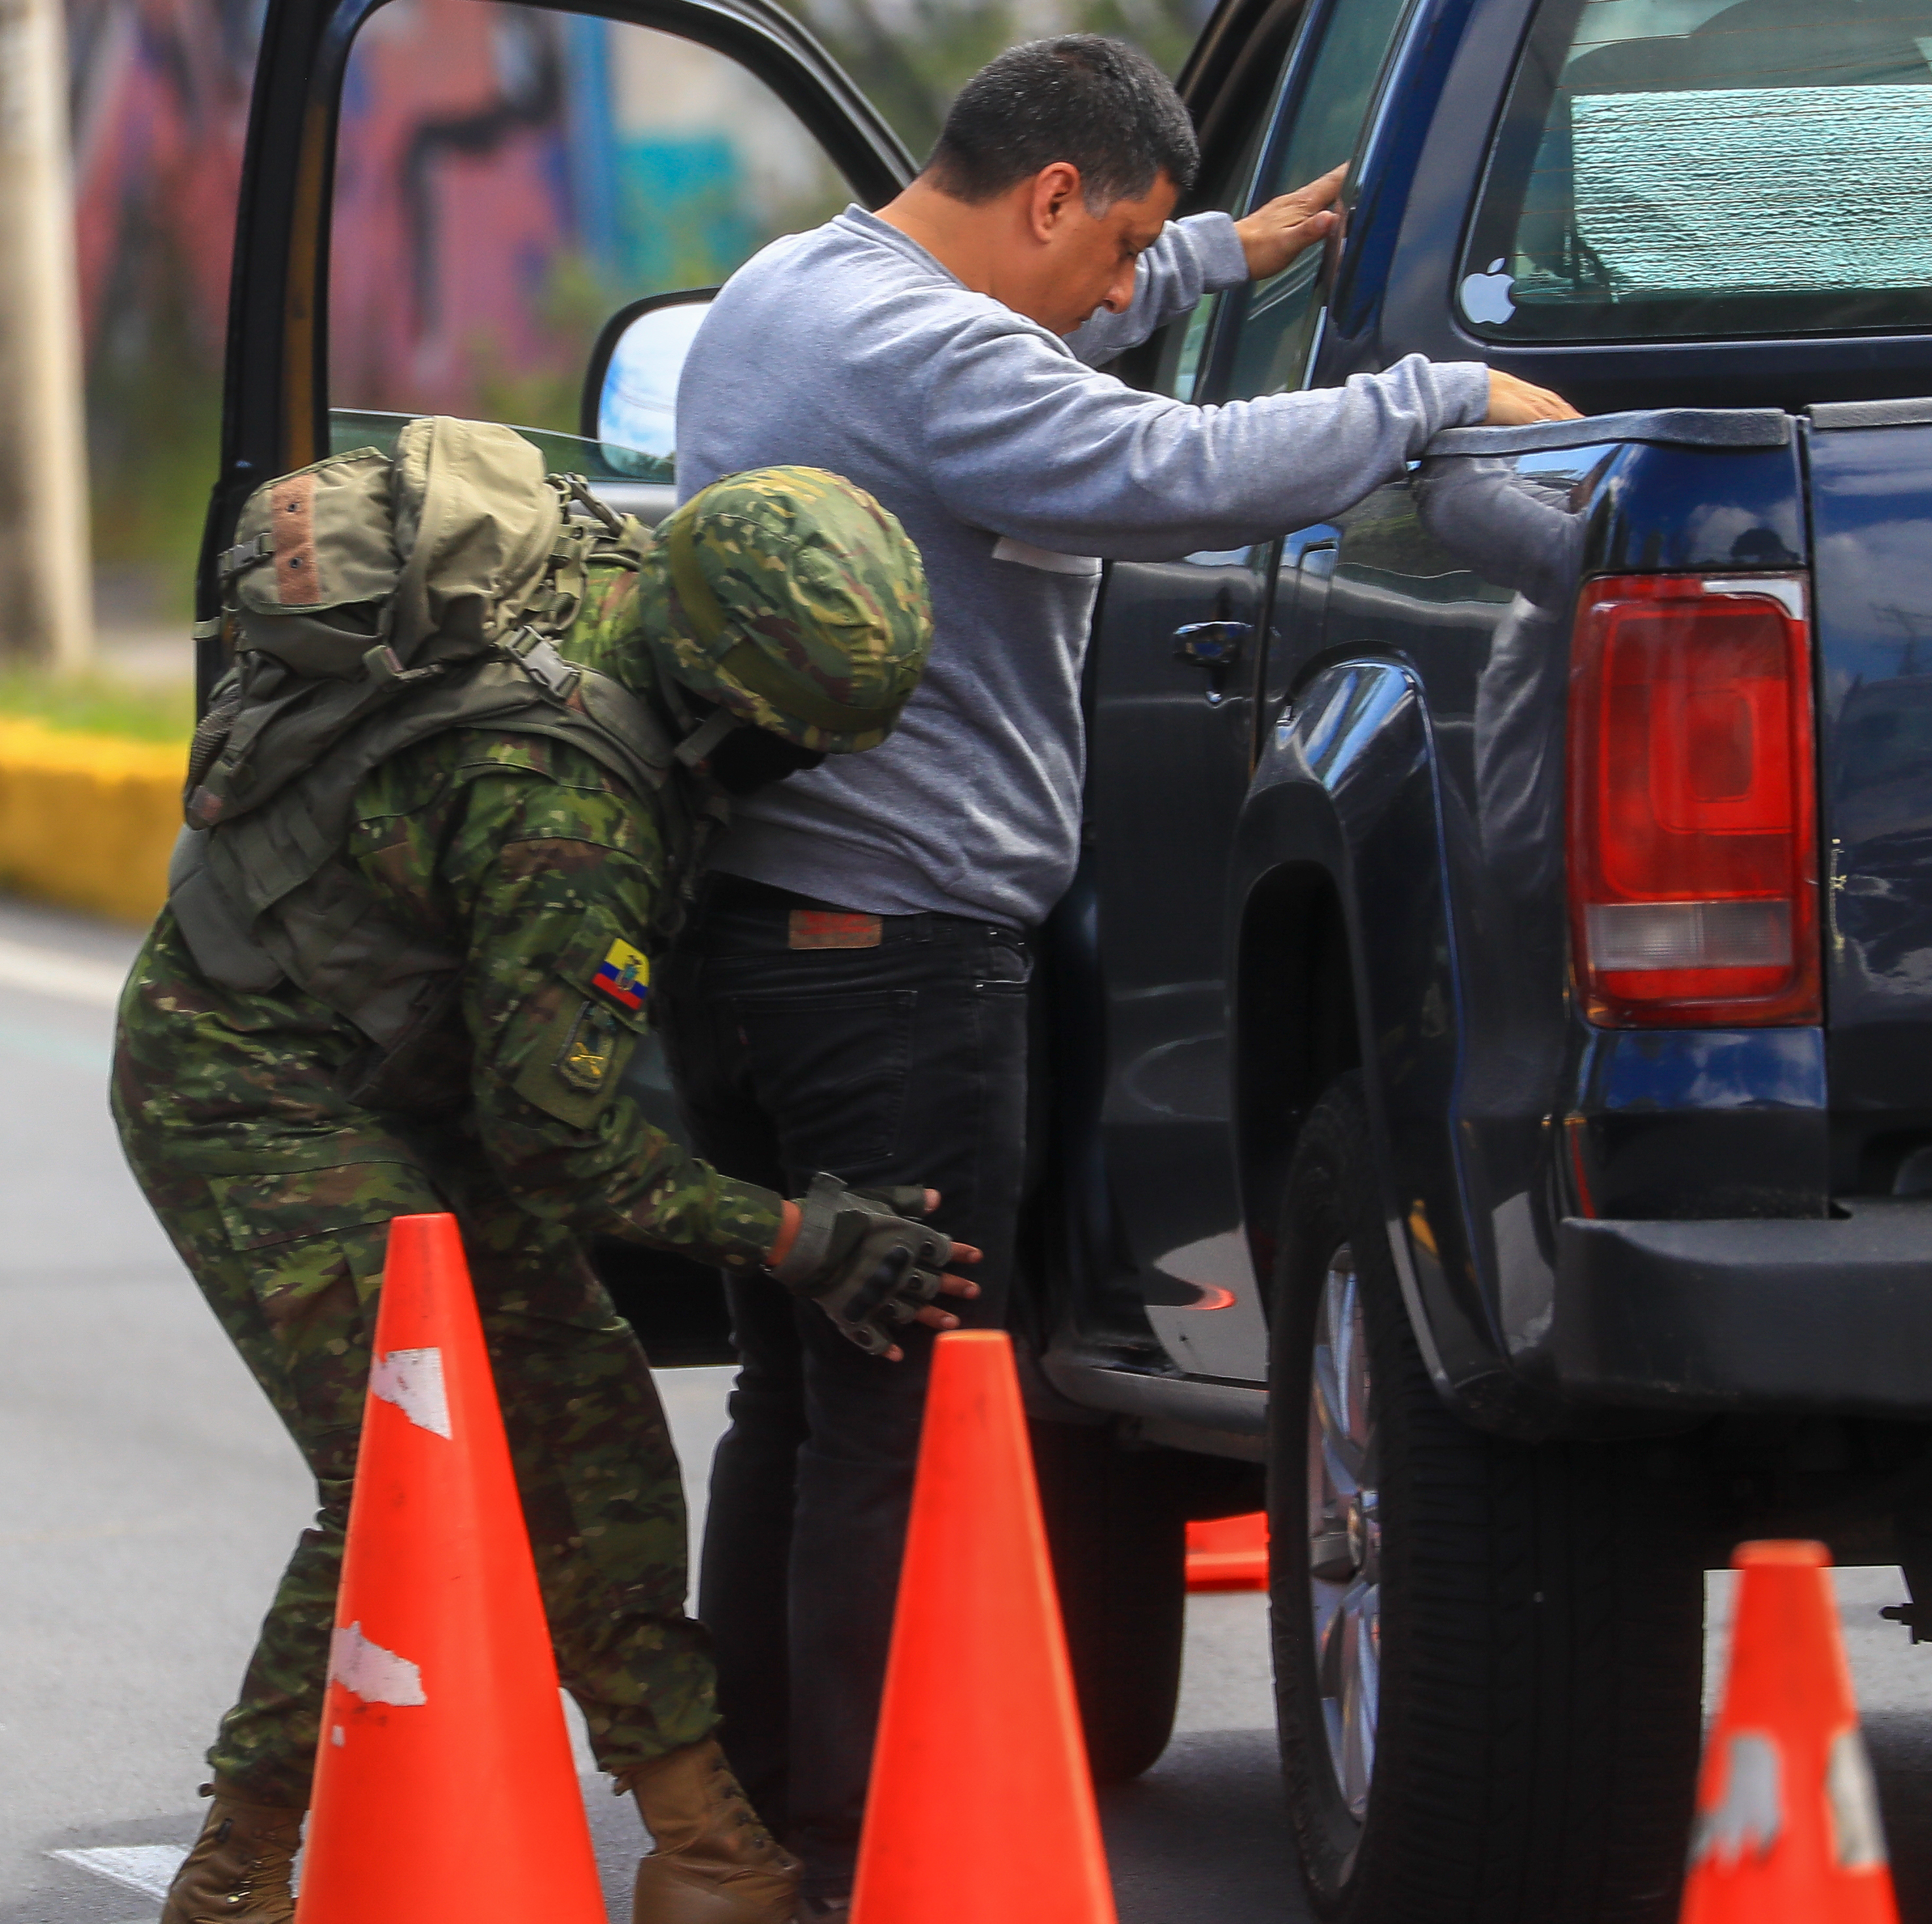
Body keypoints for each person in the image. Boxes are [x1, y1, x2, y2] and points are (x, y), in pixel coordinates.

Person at [658, 31, 1580, 1915]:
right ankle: (860, 1833)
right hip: (893, 967)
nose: (1112, 296)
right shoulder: (949, 360)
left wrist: (1221, 256)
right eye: (1114, 247)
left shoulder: (794, 290)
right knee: (901, 1407)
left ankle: (752, 1794)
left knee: (794, 1392)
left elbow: (1068, 328)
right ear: (1051, 194)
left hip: (752, 944)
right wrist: (1432, 391)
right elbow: (1166, 464)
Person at [114, 440, 972, 1924]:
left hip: (407, 1071)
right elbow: (559, 1146)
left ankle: (702, 1840)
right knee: (410, 1466)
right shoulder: (567, 799)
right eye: (790, 749)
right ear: (724, 705)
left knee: (594, 1433)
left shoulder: (647, 603)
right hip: (249, 1085)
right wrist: (800, 1240)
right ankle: (240, 1858)